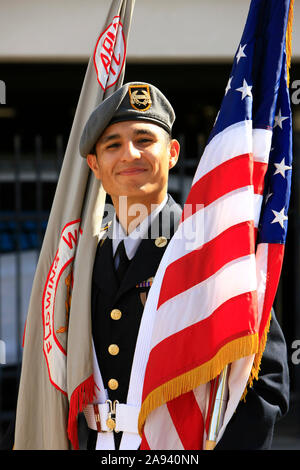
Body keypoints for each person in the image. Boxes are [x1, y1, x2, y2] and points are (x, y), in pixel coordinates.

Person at [78, 81, 289, 450]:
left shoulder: (208, 249)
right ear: (94, 164)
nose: (130, 154)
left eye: (145, 140)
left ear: (172, 152)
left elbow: (264, 380)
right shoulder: (80, 257)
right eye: (113, 145)